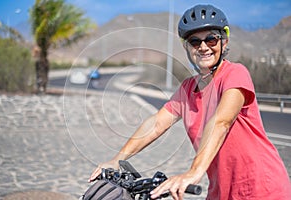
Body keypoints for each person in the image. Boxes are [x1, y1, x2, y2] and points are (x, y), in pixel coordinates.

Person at [89, 4, 291, 200]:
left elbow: (221, 121)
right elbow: (157, 123)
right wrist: (118, 160)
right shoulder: (187, 89)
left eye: (211, 39)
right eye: (195, 42)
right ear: (187, 47)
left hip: (262, 188)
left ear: (224, 42)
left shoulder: (235, 74)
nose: (203, 47)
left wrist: (193, 172)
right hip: (220, 191)